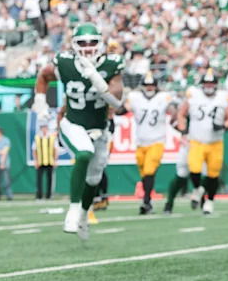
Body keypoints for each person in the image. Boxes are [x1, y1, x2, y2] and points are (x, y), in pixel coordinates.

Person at [33, 23, 125, 241]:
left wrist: (95, 77)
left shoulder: (111, 64)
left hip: (99, 128)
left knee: (93, 179)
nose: (87, 47)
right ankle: (73, 210)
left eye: (92, 42)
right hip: (72, 122)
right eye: (82, 43)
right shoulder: (65, 62)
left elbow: (116, 102)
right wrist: (40, 101)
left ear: (100, 43)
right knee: (84, 153)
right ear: (74, 45)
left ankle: (83, 215)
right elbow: (44, 76)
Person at [177, 70, 228, 216]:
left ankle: (209, 201)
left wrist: (224, 126)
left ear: (216, 85)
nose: (209, 85)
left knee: (213, 174)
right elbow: (181, 113)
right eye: (206, 83)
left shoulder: (223, 98)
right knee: (194, 169)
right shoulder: (193, 96)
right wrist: (183, 130)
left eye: (211, 83)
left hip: (215, 142)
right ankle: (198, 189)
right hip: (197, 140)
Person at [119, 73, 174, 214]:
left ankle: (146, 201)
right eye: (147, 85)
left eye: (152, 85)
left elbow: (174, 112)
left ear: (156, 86)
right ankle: (149, 202)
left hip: (157, 141)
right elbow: (122, 110)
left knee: (149, 171)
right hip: (141, 142)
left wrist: (179, 124)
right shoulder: (135, 98)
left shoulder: (163, 98)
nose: (149, 88)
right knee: (144, 174)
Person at [33, 123, 57, 200]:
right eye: (43, 127)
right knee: (39, 179)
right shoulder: (37, 137)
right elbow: (34, 150)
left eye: (45, 127)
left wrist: (55, 161)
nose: (44, 129)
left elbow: (55, 149)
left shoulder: (52, 137)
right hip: (40, 161)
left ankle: (49, 195)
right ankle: (39, 195)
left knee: (50, 179)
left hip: (50, 161)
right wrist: (36, 161)